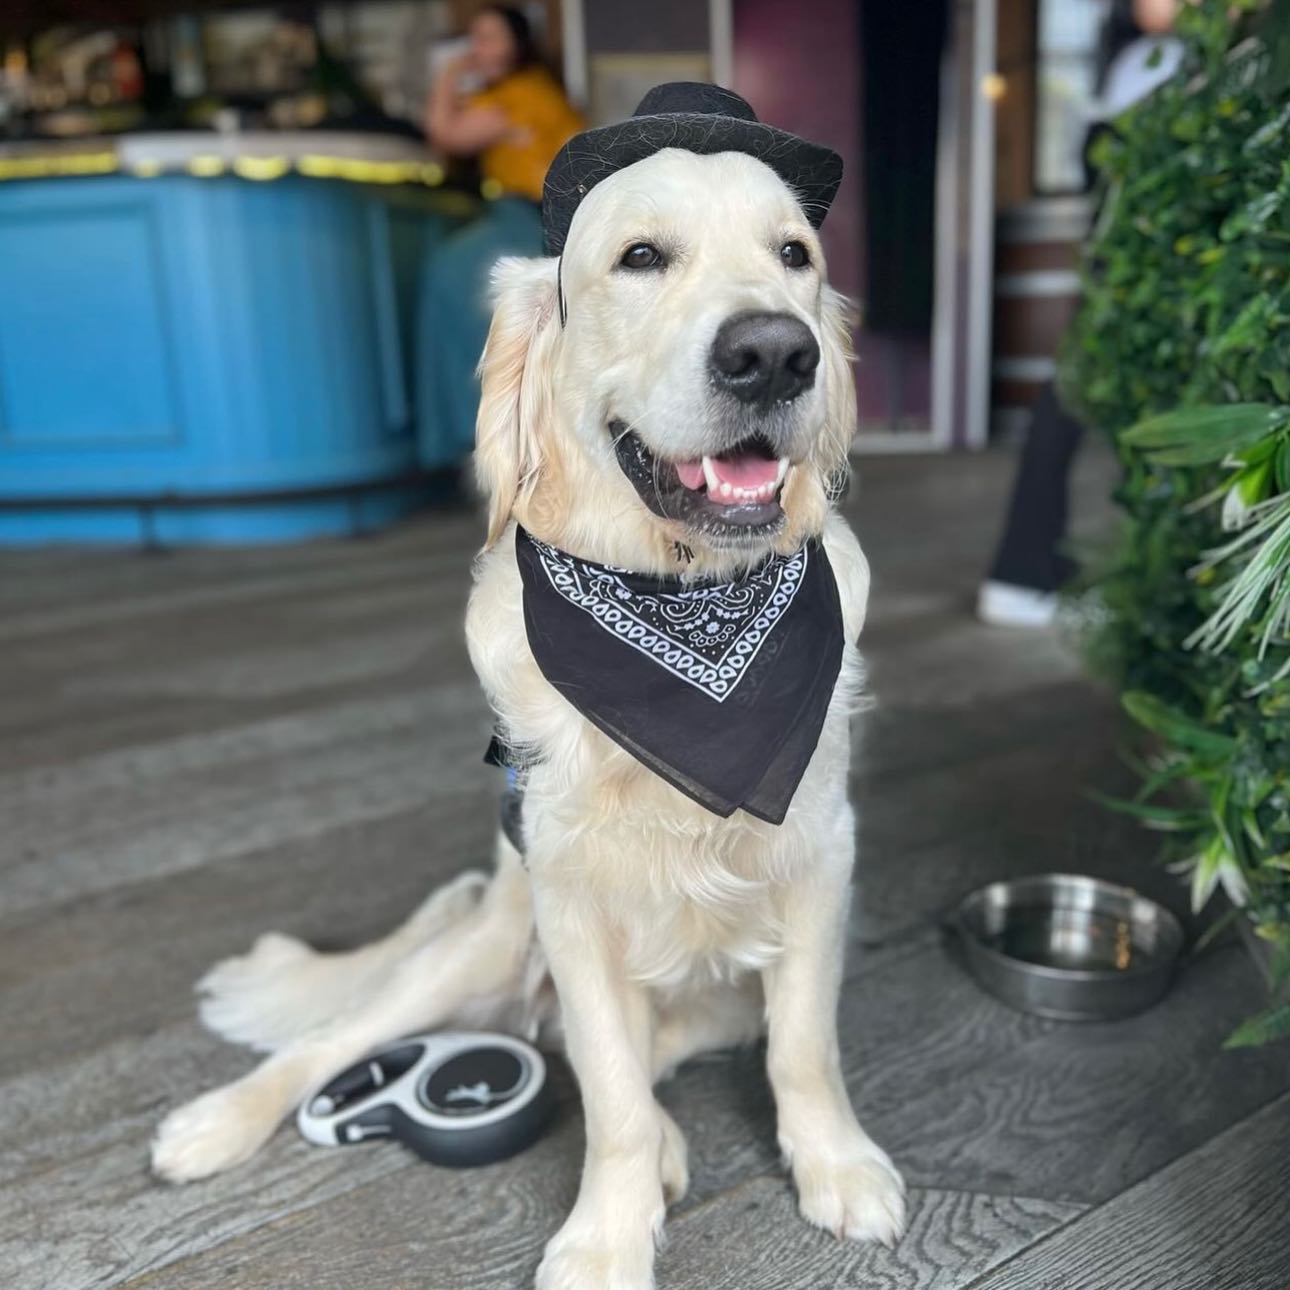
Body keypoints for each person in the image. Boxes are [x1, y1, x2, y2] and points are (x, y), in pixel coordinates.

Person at [977, 0, 1183, 627]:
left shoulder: (1138, 63)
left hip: (1132, 272)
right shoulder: (1155, 64)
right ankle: (1025, 574)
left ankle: (1028, 572)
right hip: (1138, 275)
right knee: (1077, 407)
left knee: (1079, 407)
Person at [416, 6, 583, 468]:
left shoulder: (519, 95)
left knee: (449, 276)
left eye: (489, 38)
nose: (477, 50)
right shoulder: (532, 91)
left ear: (518, 44)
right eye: (474, 40)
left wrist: (449, 72)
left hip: (529, 220)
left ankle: (481, 429)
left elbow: (443, 134)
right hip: (544, 223)